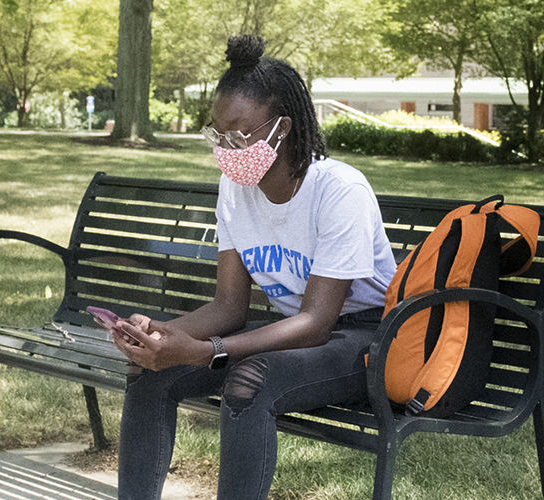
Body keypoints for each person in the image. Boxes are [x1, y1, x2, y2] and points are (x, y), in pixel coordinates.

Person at [111, 34, 396, 500]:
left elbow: (316, 323)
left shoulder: (339, 190)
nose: (226, 148)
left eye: (239, 135)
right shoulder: (234, 190)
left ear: (281, 129)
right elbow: (228, 307)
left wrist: (206, 351)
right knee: (149, 371)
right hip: (294, 336)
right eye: (218, 134)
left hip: (364, 339)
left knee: (249, 383)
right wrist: (160, 335)